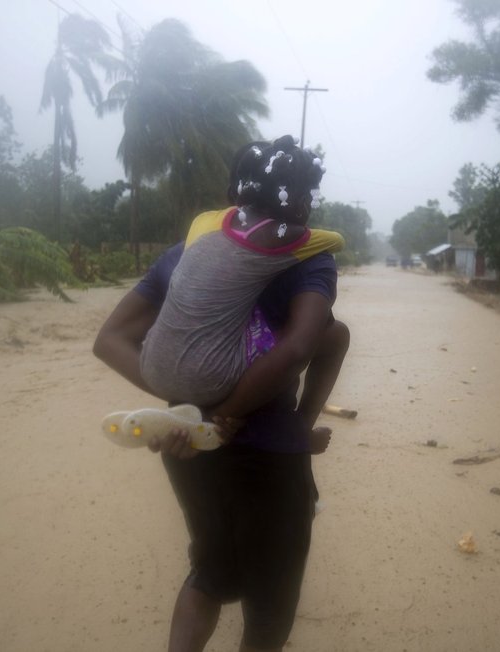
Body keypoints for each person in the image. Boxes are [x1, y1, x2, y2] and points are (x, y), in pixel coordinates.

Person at [93, 141, 349, 651]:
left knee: (210, 573)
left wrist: (188, 412)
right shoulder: (304, 260)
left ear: (233, 193)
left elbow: (110, 340)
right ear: (304, 201)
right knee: (271, 603)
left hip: (186, 443)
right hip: (271, 451)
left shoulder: (184, 255)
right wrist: (238, 415)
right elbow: (302, 344)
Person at [138, 134, 344, 409]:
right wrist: (228, 413)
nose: (309, 206)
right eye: (308, 197)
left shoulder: (203, 223)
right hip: (213, 382)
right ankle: (297, 426)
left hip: (151, 368)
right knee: (335, 334)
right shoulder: (288, 240)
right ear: (297, 199)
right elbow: (336, 240)